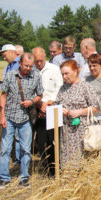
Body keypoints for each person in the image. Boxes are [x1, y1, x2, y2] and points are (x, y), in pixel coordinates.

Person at [0, 53, 43, 189]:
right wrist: (2, 115)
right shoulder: (11, 76)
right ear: (20, 64)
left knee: (26, 150)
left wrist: (31, 101)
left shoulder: (36, 76)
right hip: (9, 117)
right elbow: (3, 95)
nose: (28, 68)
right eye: (26, 65)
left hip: (25, 119)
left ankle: (24, 177)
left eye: (30, 66)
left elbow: (40, 94)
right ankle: (4, 178)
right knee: (5, 149)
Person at [55, 60, 99, 168]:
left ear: (75, 71)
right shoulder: (63, 88)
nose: (64, 76)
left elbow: (96, 107)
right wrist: (61, 110)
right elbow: (57, 104)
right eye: (62, 74)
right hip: (66, 131)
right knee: (67, 159)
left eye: (67, 73)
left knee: (82, 159)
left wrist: (79, 112)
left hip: (81, 130)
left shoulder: (85, 87)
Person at [32, 47, 63, 176]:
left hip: (53, 108)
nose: (38, 63)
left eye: (40, 60)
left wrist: (51, 102)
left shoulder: (54, 70)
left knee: (54, 140)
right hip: (37, 109)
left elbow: (60, 88)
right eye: (36, 61)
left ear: (45, 57)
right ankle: (46, 167)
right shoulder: (31, 70)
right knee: (41, 141)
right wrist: (40, 104)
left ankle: (56, 168)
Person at [0, 44, 22, 164]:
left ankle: (19, 160)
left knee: (18, 135)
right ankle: (15, 159)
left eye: (5, 55)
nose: (4, 58)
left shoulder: (20, 65)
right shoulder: (8, 67)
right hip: (8, 104)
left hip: (18, 105)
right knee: (11, 135)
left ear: (12, 52)